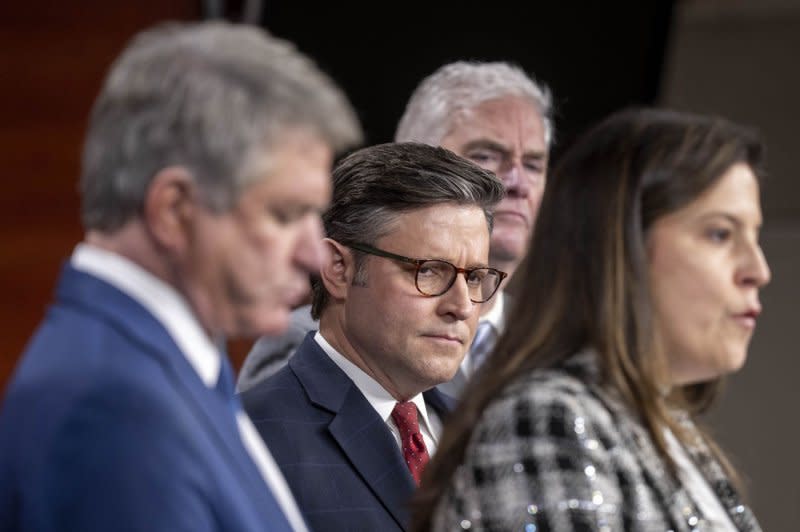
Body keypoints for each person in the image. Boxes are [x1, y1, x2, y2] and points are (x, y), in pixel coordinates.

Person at [0, 21, 361, 532]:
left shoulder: (166, 359)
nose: (313, 254)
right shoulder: (114, 410)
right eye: (284, 214)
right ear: (174, 210)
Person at [411, 107, 769, 532]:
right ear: (619, 245)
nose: (758, 270)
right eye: (720, 234)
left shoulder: (678, 434)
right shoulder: (548, 417)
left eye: (755, 236)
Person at [238, 60, 554, 396]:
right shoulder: (306, 343)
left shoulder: (563, 338)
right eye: (487, 156)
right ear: (411, 158)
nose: (517, 183)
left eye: (534, 164)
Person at [239, 142, 505, 531]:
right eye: (429, 271)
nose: (462, 306)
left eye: (476, 278)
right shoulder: (250, 439)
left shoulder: (486, 438)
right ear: (338, 269)